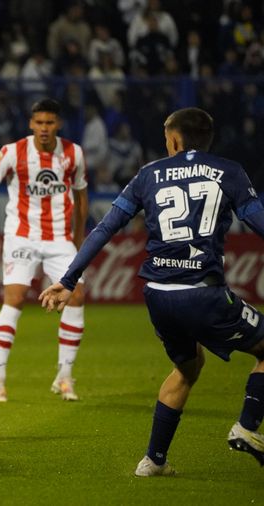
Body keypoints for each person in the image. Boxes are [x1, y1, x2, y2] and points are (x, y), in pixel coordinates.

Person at [39, 107, 264, 476]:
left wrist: (69, 279)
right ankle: (248, 426)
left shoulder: (148, 174)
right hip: (203, 293)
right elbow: (256, 219)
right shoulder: (229, 171)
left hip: (158, 296)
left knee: (188, 368)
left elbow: (104, 229)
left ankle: (154, 461)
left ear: (174, 139)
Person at [0, 98, 89, 403]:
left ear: (58, 125)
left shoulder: (73, 153)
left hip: (59, 238)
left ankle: (64, 377)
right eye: (39, 122)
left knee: (76, 295)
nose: (44, 128)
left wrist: (79, 240)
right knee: (14, 298)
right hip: (21, 236)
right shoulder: (12, 152)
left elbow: (81, 196)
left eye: (50, 123)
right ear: (30, 124)